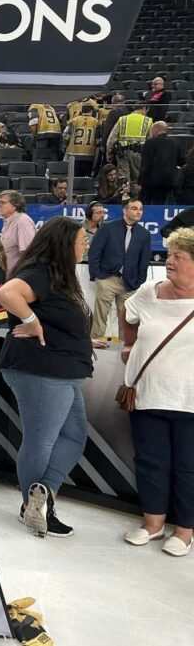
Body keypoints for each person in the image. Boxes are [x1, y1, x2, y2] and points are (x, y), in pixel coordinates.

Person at [0, 216, 105, 538]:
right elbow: (8, 294)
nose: (86, 245)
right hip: (42, 371)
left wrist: (82, 340)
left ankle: (43, 494)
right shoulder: (40, 272)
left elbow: (58, 318)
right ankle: (33, 507)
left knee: (73, 436)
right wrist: (31, 321)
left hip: (63, 370)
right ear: (63, 244)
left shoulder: (60, 278)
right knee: (41, 440)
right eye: (82, 240)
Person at [120, 227, 194, 557]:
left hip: (189, 401)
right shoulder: (150, 291)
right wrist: (129, 342)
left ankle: (184, 530)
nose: (170, 261)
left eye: (179, 256)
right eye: (169, 255)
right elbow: (127, 313)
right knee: (151, 461)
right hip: (147, 394)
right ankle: (153, 523)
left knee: (187, 466)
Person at [88, 199, 151, 339]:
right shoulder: (107, 228)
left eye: (141, 209)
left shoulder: (144, 234)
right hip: (107, 278)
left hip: (130, 283)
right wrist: (97, 275)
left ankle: (125, 347)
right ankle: (94, 344)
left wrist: (139, 281)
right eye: (134, 208)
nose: (138, 212)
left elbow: (144, 260)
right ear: (125, 210)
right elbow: (94, 252)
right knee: (100, 316)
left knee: (127, 319)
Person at [107, 104, 152, 184]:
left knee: (123, 180)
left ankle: (124, 195)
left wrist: (109, 154)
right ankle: (135, 196)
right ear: (144, 109)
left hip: (122, 154)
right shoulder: (148, 120)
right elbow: (150, 140)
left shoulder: (122, 119)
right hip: (139, 155)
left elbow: (111, 139)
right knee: (137, 180)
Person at [139, 121, 179, 206]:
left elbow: (145, 163)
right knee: (161, 203)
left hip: (151, 182)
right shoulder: (174, 143)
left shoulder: (150, 143)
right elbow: (179, 160)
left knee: (148, 204)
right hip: (168, 181)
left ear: (156, 130)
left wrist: (140, 181)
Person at [0, 190, 36, 272]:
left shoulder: (22, 221)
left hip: (18, 277)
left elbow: (29, 254)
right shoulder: (8, 222)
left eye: (3, 203)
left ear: (15, 205)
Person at [62, 103, 99, 178]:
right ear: (91, 111)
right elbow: (97, 140)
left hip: (74, 153)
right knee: (86, 179)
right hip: (89, 154)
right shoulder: (96, 122)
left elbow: (67, 135)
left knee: (74, 178)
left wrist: (64, 146)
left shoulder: (74, 120)